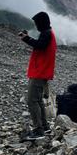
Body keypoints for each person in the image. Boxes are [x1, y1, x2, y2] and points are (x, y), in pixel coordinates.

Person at [19, 11, 57, 140]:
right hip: (42, 72)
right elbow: (41, 45)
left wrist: (26, 38)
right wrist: (28, 38)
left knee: (31, 100)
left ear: (41, 23)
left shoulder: (46, 34)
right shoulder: (47, 33)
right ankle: (44, 126)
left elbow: (40, 45)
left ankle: (38, 130)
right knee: (38, 100)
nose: (36, 26)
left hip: (40, 72)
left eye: (37, 23)